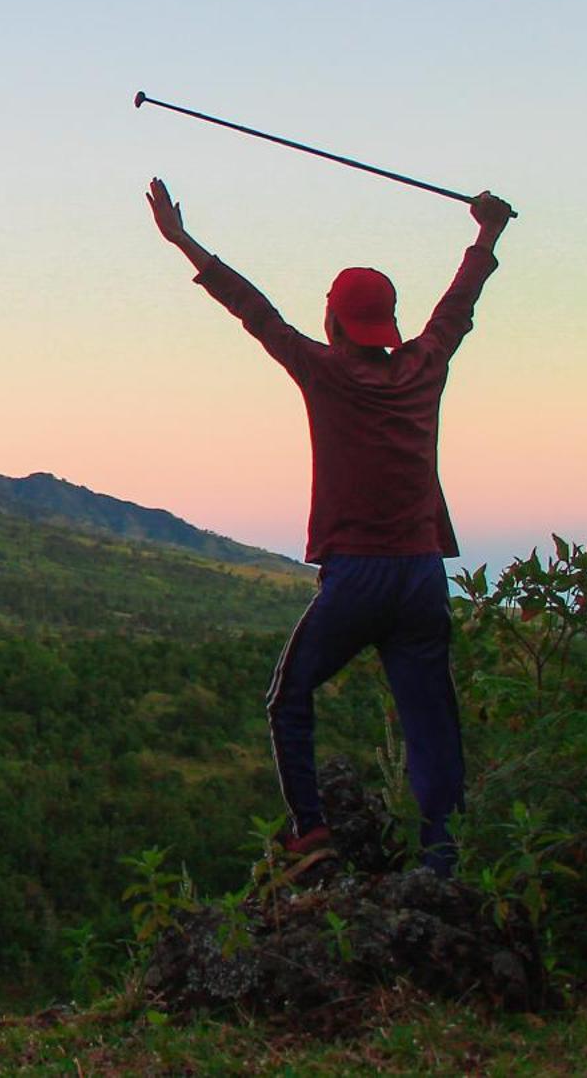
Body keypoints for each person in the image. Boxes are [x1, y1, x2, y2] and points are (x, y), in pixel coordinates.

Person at [145, 176, 514, 876]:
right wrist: (487, 234)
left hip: (359, 576)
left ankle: (310, 833)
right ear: (387, 324)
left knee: (289, 697)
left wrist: (183, 241)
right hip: (422, 574)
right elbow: (456, 309)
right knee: (432, 720)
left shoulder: (325, 372)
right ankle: (444, 861)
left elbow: (257, 313)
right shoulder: (424, 366)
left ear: (336, 325)